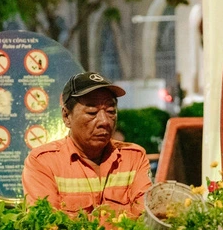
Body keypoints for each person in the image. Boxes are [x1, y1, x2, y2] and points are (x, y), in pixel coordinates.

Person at [22, 72, 151, 219]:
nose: (104, 121)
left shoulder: (134, 157)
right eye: (92, 112)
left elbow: (146, 218)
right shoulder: (43, 162)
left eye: (110, 111)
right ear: (66, 117)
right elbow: (47, 227)